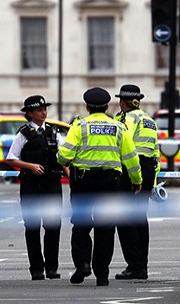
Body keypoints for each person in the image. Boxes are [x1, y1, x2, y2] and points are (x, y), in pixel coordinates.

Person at [57, 87, 142, 287]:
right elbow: (131, 157)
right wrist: (136, 179)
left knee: (81, 225)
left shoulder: (79, 126)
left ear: (87, 107)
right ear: (106, 107)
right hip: (109, 183)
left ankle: (83, 264)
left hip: (83, 183)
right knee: (105, 228)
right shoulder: (119, 128)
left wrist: (61, 158)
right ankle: (102, 274)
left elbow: (64, 156)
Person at [6, 94, 65, 280]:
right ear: (29, 113)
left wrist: (68, 171)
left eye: (45, 109)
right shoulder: (23, 133)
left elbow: (63, 155)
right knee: (32, 227)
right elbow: (11, 158)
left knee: (53, 226)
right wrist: (30, 166)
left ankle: (52, 268)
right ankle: (37, 269)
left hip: (52, 184)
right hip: (31, 185)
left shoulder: (54, 132)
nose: (44, 113)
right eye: (39, 110)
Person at [113, 84, 159, 281]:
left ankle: (134, 266)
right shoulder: (149, 120)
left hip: (130, 168)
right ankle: (142, 265)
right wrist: (153, 182)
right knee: (140, 219)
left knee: (125, 220)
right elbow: (155, 153)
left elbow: (124, 145)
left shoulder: (125, 119)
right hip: (148, 168)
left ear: (122, 102)